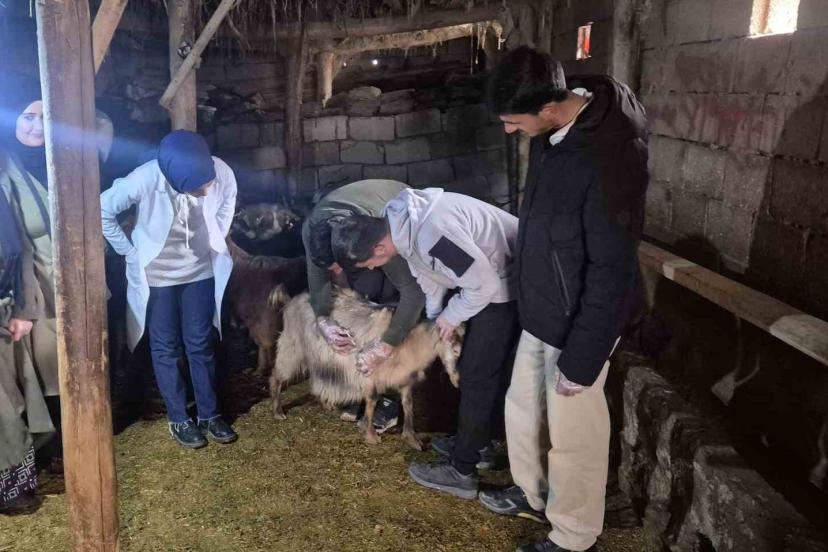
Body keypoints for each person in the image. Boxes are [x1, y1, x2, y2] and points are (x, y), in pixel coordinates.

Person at [479, 47, 648, 552]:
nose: (511, 132)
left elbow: (613, 266)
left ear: (549, 109)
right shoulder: (553, 135)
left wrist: (584, 355)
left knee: (575, 434)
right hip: (543, 309)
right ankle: (533, 492)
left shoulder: (611, 155)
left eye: (514, 123)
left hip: (579, 322)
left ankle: (574, 535)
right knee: (524, 407)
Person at [331, 187, 521, 499]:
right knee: (474, 369)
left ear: (379, 248)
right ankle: (475, 443)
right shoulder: (400, 225)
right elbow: (427, 275)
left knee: (477, 375)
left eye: (369, 263)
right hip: (488, 283)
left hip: (508, 283)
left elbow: (484, 284)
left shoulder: (434, 233)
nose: (372, 269)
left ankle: (463, 470)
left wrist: (450, 317)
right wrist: (436, 320)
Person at [100, 130, 238, 449]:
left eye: (208, 183)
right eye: (198, 188)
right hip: (157, 275)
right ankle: (179, 418)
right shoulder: (145, 178)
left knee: (200, 342)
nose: (207, 191)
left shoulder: (220, 171)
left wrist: (217, 235)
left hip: (200, 270)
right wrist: (128, 251)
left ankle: (209, 414)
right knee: (166, 346)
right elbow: (103, 208)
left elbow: (228, 199)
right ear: (176, 180)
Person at [303, 179, 426, 431]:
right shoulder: (312, 230)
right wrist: (323, 319)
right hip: (359, 239)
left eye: (339, 265)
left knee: (391, 310)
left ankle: (390, 396)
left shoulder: (379, 232)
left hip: (392, 221)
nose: (337, 272)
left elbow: (413, 292)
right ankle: (365, 388)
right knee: (362, 300)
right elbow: (318, 280)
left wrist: (386, 344)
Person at [0, 72, 59, 513]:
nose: (36, 127)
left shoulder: (65, 159)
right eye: (27, 116)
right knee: (36, 374)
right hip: (31, 287)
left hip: (61, 282)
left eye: (44, 117)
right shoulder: (5, 167)